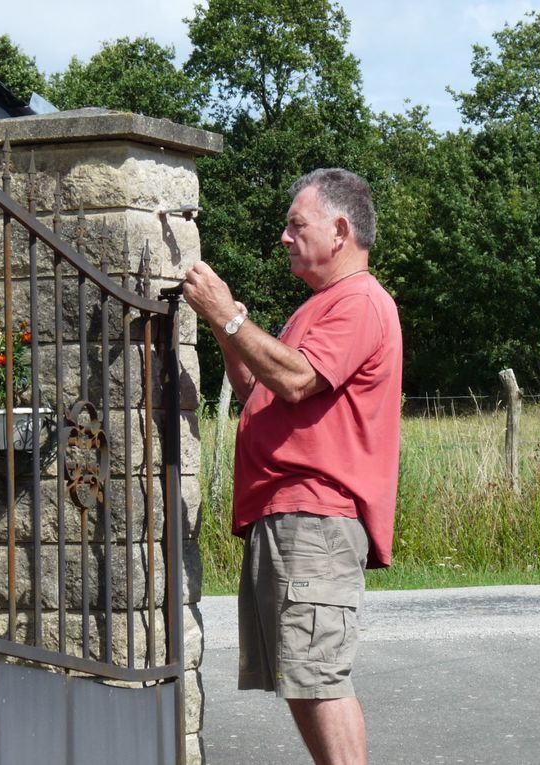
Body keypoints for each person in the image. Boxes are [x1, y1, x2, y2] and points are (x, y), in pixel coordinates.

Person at [183, 168, 402, 765]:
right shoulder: (321, 306)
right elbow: (255, 383)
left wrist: (230, 317)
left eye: (295, 224)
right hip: (290, 517)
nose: (284, 236)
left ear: (339, 229)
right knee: (301, 676)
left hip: (316, 518)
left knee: (318, 674)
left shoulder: (358, 302)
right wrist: (227, 328)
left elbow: (297, 380)